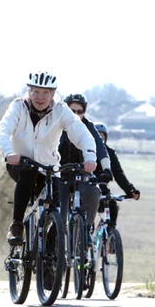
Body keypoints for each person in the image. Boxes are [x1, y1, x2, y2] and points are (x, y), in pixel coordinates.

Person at [0, 72, 97, 247]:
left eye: (45, 93)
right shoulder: (18, 107)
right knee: (28, 174)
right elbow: (3, 130)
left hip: (49, 167)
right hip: (20, 163)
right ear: (29, 91)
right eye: (36, 92)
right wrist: (8, 152)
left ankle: (50, 257)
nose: (40, 97)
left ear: (53, 93)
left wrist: (90, 156)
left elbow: (80, 133)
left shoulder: (61, 110)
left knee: (57, 208)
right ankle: (17, 224)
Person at [58, 93, 110, 229]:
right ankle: (56, 244)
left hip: (82, 174)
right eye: (72, 111)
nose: (76, 115)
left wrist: (107, 169)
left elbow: (100, 147)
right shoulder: (57, 125)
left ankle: (85, 229)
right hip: (60, 175)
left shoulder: (89, 126)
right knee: (60, 217)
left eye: (80, 112)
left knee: (94, 192)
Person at [93, 122, 141, 226]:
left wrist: (130, 190)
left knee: (112, 206)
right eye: (97, 135)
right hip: (88, 188)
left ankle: (110, 234)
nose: (100, 138)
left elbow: (118, 174)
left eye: (103, 135)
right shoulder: (84, 150)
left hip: (103, 189)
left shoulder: (110, 153)